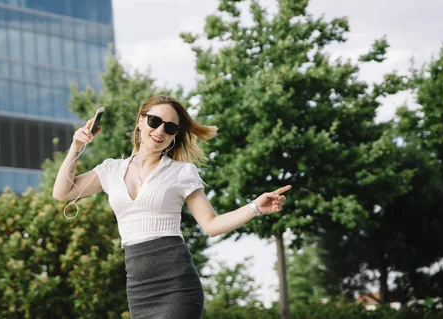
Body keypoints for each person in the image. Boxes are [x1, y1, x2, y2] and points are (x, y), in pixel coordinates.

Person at [53, 95, 291, 319]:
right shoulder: (110, 170)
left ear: (175, 135)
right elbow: (62, 192)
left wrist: (255, 207)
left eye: (169, 127)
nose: (159, 131)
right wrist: (76, 145)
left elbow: (211, 225)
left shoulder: (181, 172)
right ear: (140, 121)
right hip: (138, 287)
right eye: (154, 121)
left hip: (177, 285)